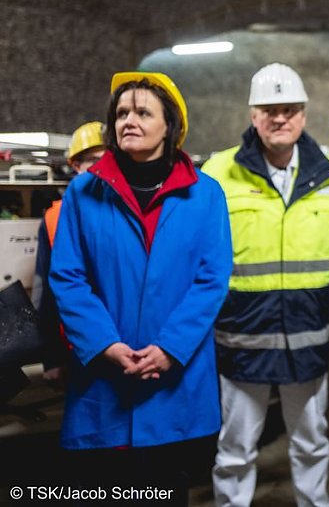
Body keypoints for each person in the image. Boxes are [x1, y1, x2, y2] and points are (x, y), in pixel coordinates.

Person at [49, 72, 232, 502]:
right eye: (121, 113)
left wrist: (170, 348)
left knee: (167, 490)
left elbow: (211, 280)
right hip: (104, 379)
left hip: (175, 379)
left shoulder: (206, 196)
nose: (128, 120)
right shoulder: (83, 193)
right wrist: (105, 344)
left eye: (143, 112)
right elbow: (68, 278)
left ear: (170, 125)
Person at [204, 63, 329, 507]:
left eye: (289, 109)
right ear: (253, 115)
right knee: (234, 450)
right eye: (269, 110)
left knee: (311, 443)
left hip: (306, 341)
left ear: (303, 115)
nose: (279, 118)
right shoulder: (218, 172)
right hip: (242, 340)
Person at [34, 121, 106, 386]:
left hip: (122, 342)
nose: (100, 166)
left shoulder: (129, 210)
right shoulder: (55, 218)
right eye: (93, 160)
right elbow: (46, 291)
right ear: (76, 165)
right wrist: (52, 357)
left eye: (108, 158)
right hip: (74, 345)